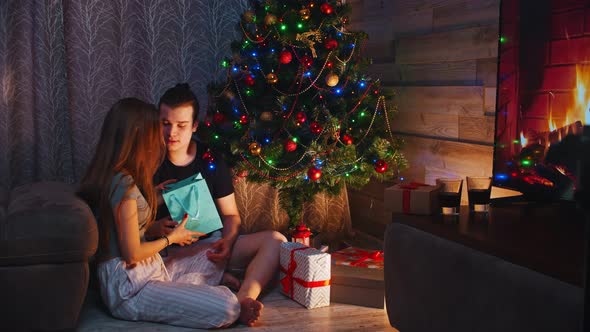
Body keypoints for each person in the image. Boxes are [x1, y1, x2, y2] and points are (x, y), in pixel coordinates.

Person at [78, 98, 241, 329]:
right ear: (137, 136)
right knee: (228, 306)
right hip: (130, 285)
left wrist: (155, 203)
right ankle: (211, 293)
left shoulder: (121, 176)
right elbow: (132, 254)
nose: (160, 138)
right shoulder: (122, 183)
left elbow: (125, 225)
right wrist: (171, 239)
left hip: (147, 269)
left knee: (208, 255)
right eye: (155, 131)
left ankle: (199, 287)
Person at [148, 83, 287, 327]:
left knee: (276, 240)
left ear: (194, 126)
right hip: (172, 253)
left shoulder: (209, 158)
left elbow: (231, 215)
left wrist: (228, 241)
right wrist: (157, 228)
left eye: (181, 126)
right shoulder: (148, 159)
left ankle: (244, 298)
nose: (172, 133)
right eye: (165, 123)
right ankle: (217, 282)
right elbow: (132, 223)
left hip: (212, 247)